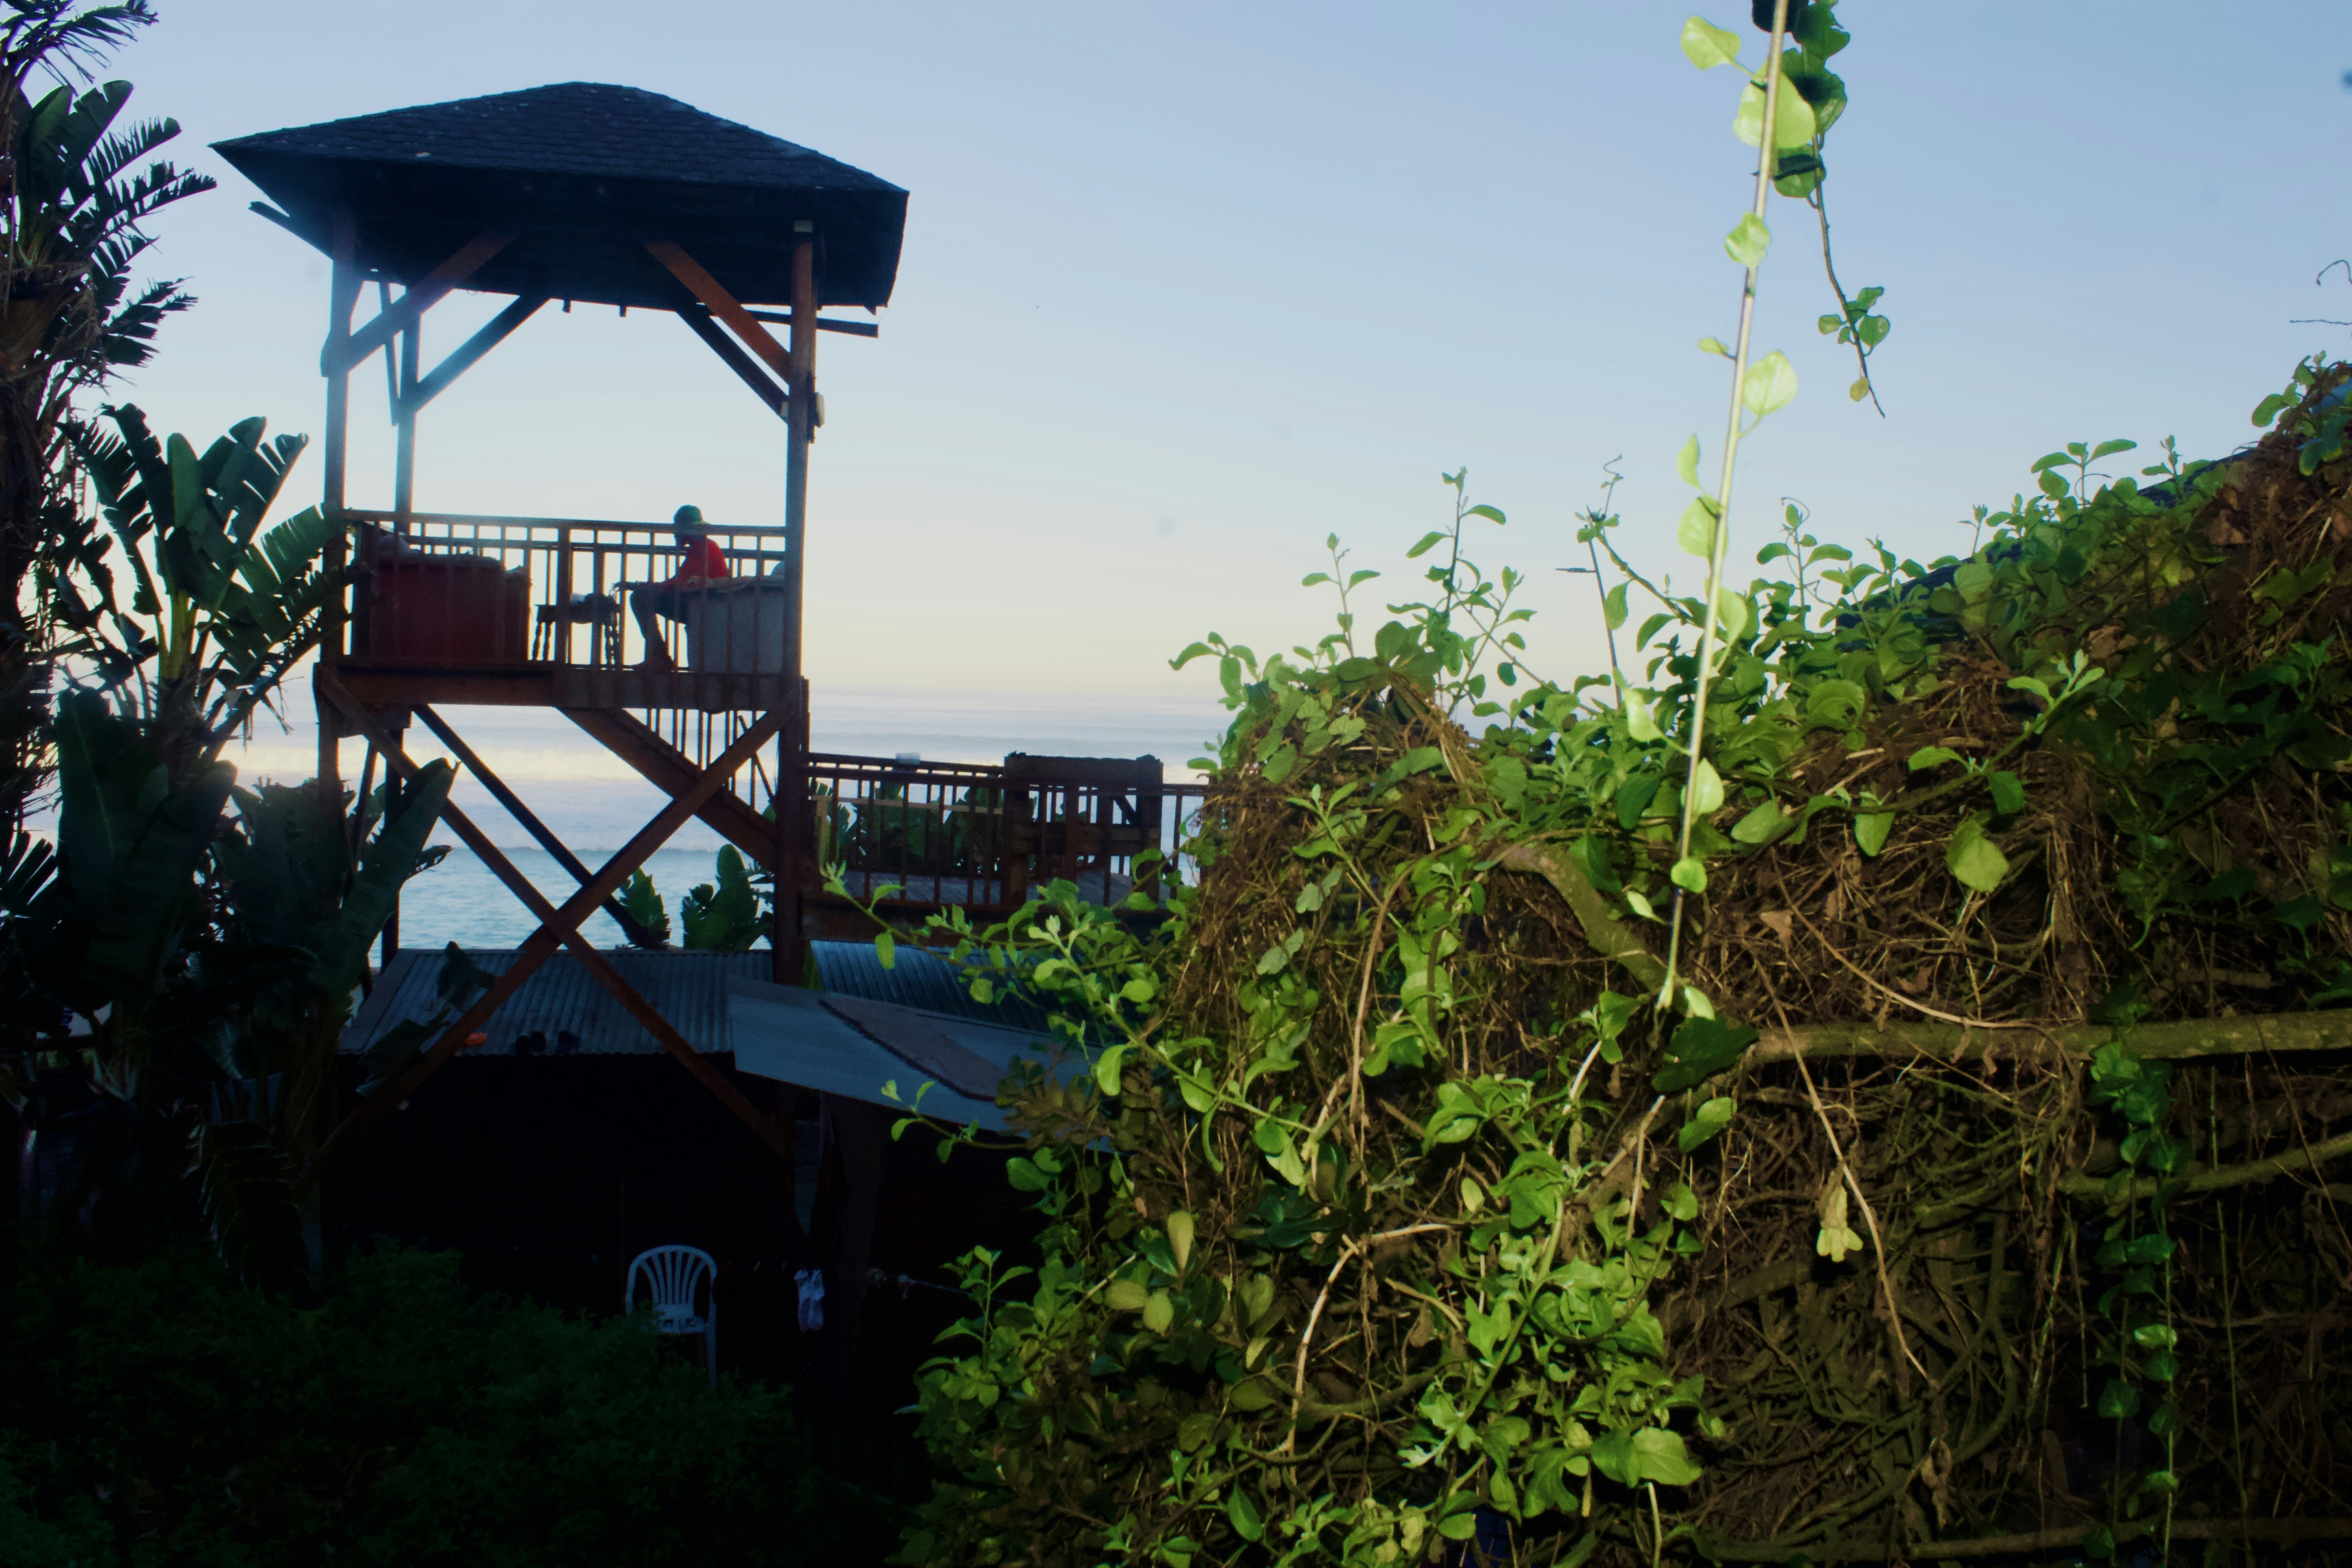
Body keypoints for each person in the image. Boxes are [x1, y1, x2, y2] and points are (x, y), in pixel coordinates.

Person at [630, 505, 730, 670]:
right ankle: (658, 655)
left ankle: (659, 655)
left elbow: (682, 583)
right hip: (700, 603)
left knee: (641, 597)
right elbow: (681, 581)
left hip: (704, 605)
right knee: (643, 595)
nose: (676, 534)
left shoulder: (705, 547)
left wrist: (649, 587)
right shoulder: (700, 547)